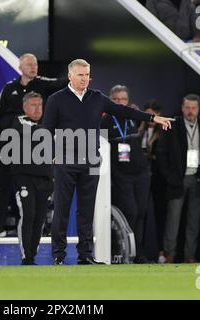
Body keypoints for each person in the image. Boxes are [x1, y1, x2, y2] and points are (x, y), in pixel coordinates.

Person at [42, 59, 174, 265]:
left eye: (87, 75)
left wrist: (151, 119)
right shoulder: (56, 99)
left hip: (91, 161)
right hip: (65, 161)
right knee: (62, 209)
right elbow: (46, 130)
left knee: (86, 211)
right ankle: (58, 255)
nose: (84, 79)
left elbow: (124, 111)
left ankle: (85, 256)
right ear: (70, 76)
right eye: (80, 75)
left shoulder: (97, 98)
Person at [0, 53, 67, 238]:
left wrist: (75, 77)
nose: (34, 67)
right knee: (4, 186)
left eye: (35, 64)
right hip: (9, 146)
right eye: (30, 64)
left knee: (33, 189)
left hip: (33, 150)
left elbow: (60, 83)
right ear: (20, 66)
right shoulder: (9, 88)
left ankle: (32, 229)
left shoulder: (42, 84)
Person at [157, 94, 200, 263]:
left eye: (194, 108)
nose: (190, 111)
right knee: (173, 220)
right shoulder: (172, 125)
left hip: (197, 179)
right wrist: (169, 176)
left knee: (194, 222)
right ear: (182, 108)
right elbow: (161, 152)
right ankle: (169, 254)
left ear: (199, 109)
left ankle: (190, 256)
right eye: (187, 107)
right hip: (178, 180)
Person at [100, 85, 151, 263]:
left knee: (142, 212)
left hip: (141, 174)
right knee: (131, 211)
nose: (121, 103)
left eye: (124, 99)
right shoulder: (104, 122)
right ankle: (126, 250)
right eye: (117, 100)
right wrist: (115, 175)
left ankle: (139, 252)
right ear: (110, 101)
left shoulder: (133, 118)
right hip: (122, 176)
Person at [9, 92, 53, 265]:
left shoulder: (45, 125)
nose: (37, 109)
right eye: (33, 105)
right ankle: (25, 256)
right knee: (28, 214)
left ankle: (32, 255)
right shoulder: (19, 121)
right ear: (25, 107)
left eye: (40, 105)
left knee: (40, 218)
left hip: (44, 178)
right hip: (24, 178)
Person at [139, 100, 168, 263]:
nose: (150, 118)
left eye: (153, 115)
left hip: (158, 179)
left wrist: (151, 156)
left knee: (160, 215)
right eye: (147, 114)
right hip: (140, 178)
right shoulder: (138, 130)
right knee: (140, 214)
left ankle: (162, 252)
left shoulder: (164, 131)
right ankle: (138, 250)